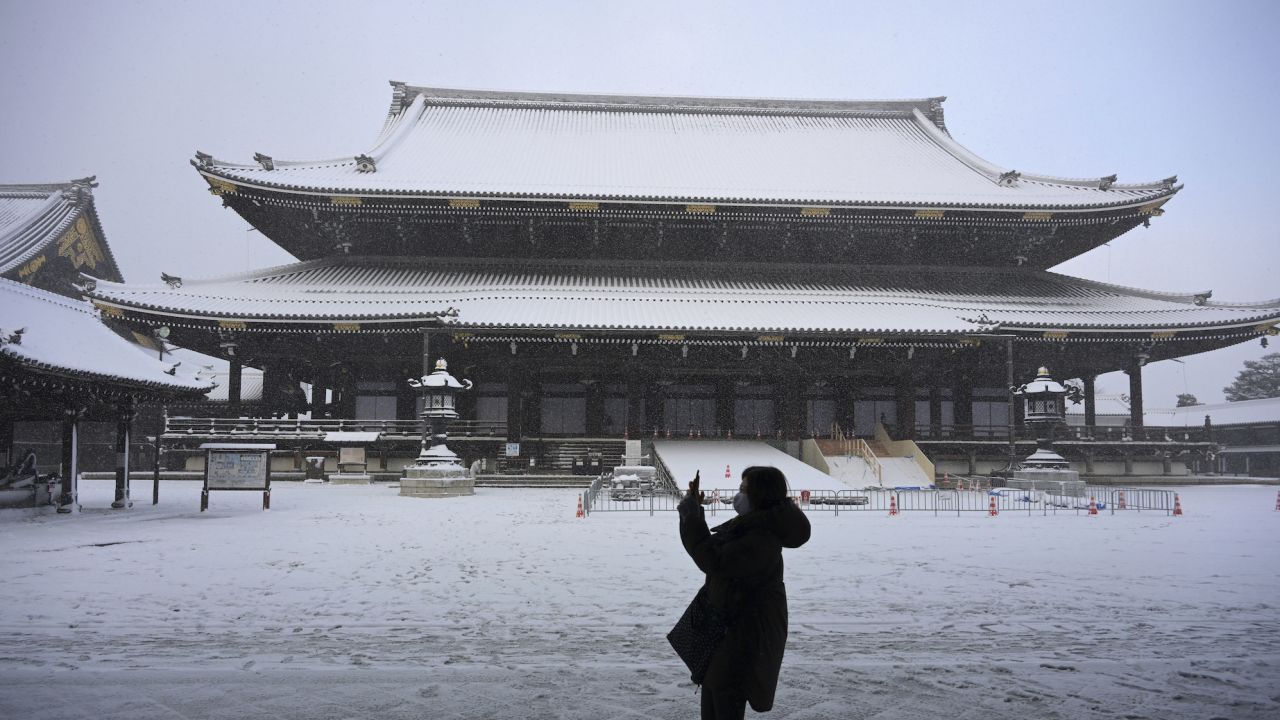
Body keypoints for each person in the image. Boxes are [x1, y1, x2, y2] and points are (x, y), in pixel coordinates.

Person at [678, 465, 811, 719]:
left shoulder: (761, 538)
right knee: (714, 703)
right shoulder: (750, 526)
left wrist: (692, 517)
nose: (737, 495)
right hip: (725, 638)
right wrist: (695, 514)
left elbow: (714, 560)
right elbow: (715, 552)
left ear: (760, 496)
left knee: (725, 705)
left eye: (743, 490)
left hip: (739, 644)